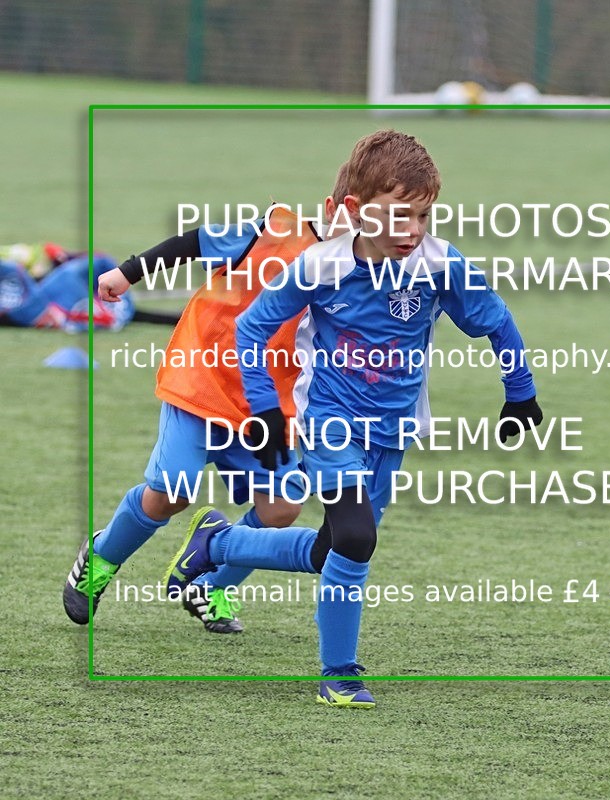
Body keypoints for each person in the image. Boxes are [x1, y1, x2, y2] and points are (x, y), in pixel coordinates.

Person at [162, 129, 543, 707]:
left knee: (331, 549)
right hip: (330, 421)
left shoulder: (440, 264)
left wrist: (520, 394)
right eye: (398, 215)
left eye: (423, 216)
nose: (412, 231)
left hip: (394, 432)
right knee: (358, 538)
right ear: (355, 211)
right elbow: (253, 328)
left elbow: (496, 320)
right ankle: (340, 674)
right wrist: (266, 411)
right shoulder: (321, 265)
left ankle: (219, 545)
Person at [63, 163, 351, 633]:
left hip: (262, 408)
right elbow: (195, 241)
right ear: (331, 209)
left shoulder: (358, 278)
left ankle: (212, 584)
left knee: (282, 507)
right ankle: (100, 556)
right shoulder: (273, 230)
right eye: (357, 223)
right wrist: (128, 272)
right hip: (200, 383)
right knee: (170, 495)